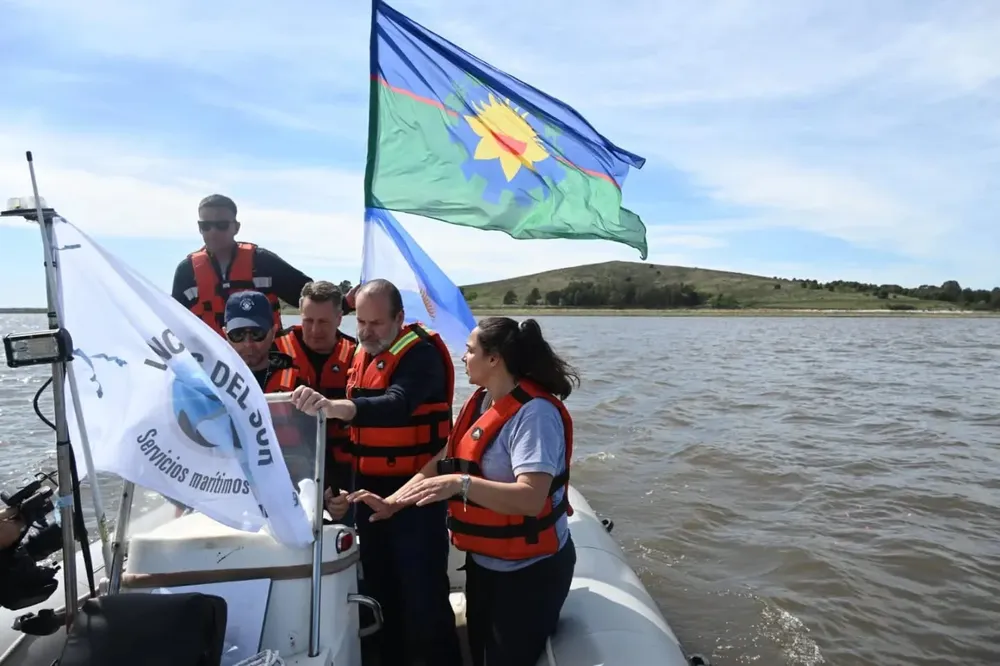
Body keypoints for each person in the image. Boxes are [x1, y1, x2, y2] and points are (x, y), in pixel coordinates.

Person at [349, 317, 579, 666]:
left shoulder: (535, 416)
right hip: (485, 564)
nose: (462, 358)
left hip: (530, 572)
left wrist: (460, 485)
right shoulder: (481, 401)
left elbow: (532, 499)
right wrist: (394, 502)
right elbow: (446, 459)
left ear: (494, 359)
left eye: (470, 351)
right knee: (479, 651)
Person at [290, 278, 462, 666]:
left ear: (399, 318)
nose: (366, 332)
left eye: (376, 323)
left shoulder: (421, 355)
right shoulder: (362, 355)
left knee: (423, 597)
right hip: (368, 494)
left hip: (417, 495)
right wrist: (337, 490)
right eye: (361, 323)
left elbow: (398, 402)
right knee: (381, 591)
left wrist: (343, 407)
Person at [224, 290, 347, 522]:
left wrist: (331, 495)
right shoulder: (209, 384)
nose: (248, 344)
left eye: (257, 334)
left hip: (288, 496)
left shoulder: (297, 384)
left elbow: (316, 446)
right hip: (231, 495)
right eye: (238, 334)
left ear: (272, 333)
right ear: (225, 335)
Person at [171, 194, 313, 337]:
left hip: (264, 355)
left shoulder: (264, 262)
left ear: (236, 227)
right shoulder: (187, 272)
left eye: (222, 225)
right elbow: (171, 322)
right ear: (199, 228)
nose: (213, 232)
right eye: (206, 226)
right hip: (211, 358)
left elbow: (313, 298)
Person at [273, 281, 357, 500]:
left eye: (323, 322)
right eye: (308, 320)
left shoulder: (357, 356)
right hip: (287, 472)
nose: (314, 330)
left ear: (340, 318)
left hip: (343, 475)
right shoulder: (275, 351)